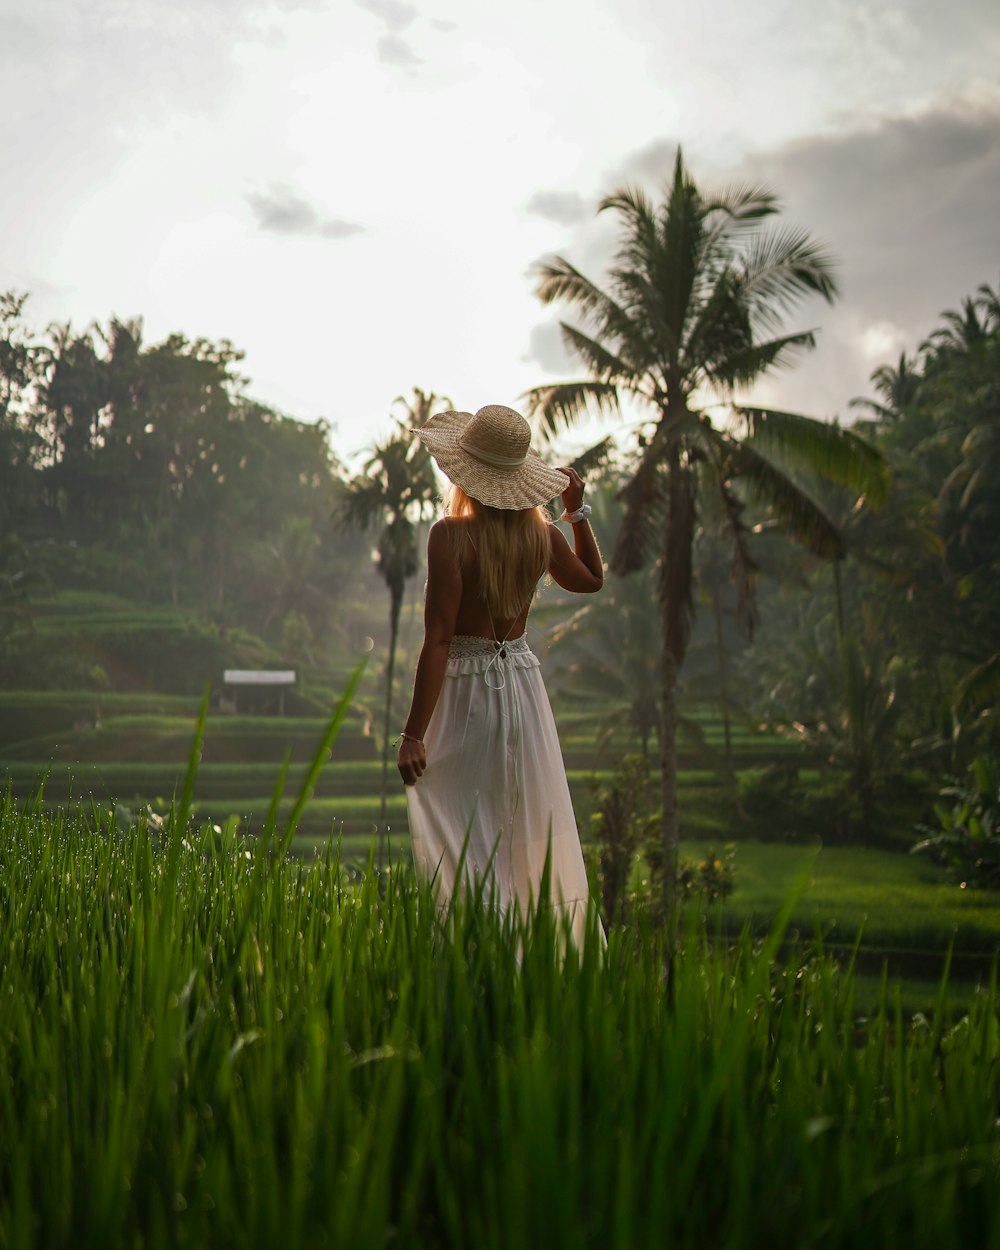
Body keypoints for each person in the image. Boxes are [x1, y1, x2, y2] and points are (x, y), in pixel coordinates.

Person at [397, 403, 604, 945]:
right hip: (522, 687)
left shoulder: (450, 537)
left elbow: (439, 639)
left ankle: (479, 946)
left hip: (465, 690)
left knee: (464, 826)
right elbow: (591, 581)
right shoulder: (543, 537)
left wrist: (414, 733)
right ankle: (530, 944)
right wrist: (577, 513)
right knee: (522, 820)